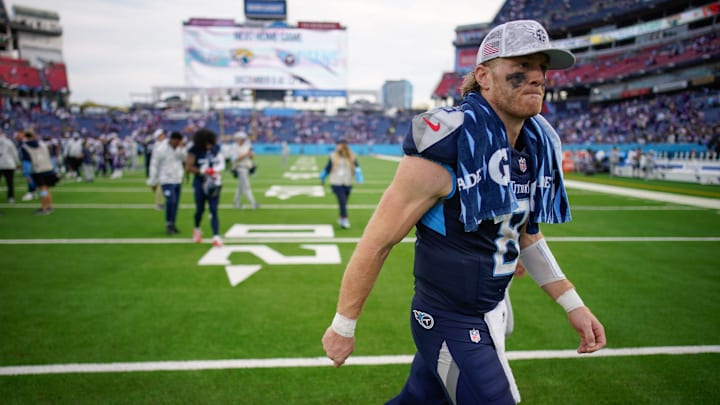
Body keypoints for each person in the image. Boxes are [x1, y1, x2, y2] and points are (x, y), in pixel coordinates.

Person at [321, 20, 606, 405]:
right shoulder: (448, 142)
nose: (536, 77)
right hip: (449, 318)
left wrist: (574, 305)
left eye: (542, 67)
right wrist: (343, 324)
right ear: (484, 77)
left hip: (491, 310)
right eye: (521, 67)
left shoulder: (536, 142)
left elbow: (526, 235)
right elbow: (378, 241)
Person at [185, 128, 225, 247]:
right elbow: (188, 167)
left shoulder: (215, 148)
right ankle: (197, 229)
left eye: (210, 144)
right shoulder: (193, 150)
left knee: (213, 209)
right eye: (206, 144)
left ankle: (216, 236)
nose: (208, 146)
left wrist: (215, 170)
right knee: (200, 209)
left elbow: (221, 163)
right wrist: (202, 171)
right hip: (200, 183)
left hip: (214, 182)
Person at [147, 131, 186, 235]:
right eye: (178, 142)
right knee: (171, 200)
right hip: (166, 179)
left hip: (177, 178)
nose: (179, 144)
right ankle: (168, 224)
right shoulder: (161, 149)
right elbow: (154, 165)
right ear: (173, 140)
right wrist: (153, 181)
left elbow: (184, 158)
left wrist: (182, 149)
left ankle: (173, 223)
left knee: (176, 203)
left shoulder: (179, 148)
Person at [319, 139, 363, 229]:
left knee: (344, 202)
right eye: (337, 145)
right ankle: (345, 219)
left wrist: (359, 178)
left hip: (347, 182)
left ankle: (341, 217)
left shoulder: (351, 156)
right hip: (336, 182)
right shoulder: (333, 156)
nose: (338, 147)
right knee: (342, 201)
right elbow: (327, 168)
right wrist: (322, 178)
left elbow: (357, 168)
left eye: (340, 145)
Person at [20, 129, 59, 215]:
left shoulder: (25, 146)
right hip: (48, 169)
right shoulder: (43, 144)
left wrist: (26, 174)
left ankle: (44, 208)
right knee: (46, 189)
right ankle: (49, 206)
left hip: (38, 171)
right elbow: (51, 158)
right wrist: (54, 169)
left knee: (43, 190)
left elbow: (26, 162)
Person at [229, 131, 259, 210]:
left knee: (240, 187)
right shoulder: (233, 147)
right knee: (246, 187)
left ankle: (236, 203)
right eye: (241, 139)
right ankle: (253, 203)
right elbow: (234, 158)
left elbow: (252, 157)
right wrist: (246, 154)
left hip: (247, 168)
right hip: (240, 168)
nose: (243, 140)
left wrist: (251, 154)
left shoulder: (247, 146)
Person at [0, 129, 20, 204]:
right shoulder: (9, 142)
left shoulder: (8, 141)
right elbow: (14, 153)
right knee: (10, 183)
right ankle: (10, 198)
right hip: (9, 164)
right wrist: (17, 163)